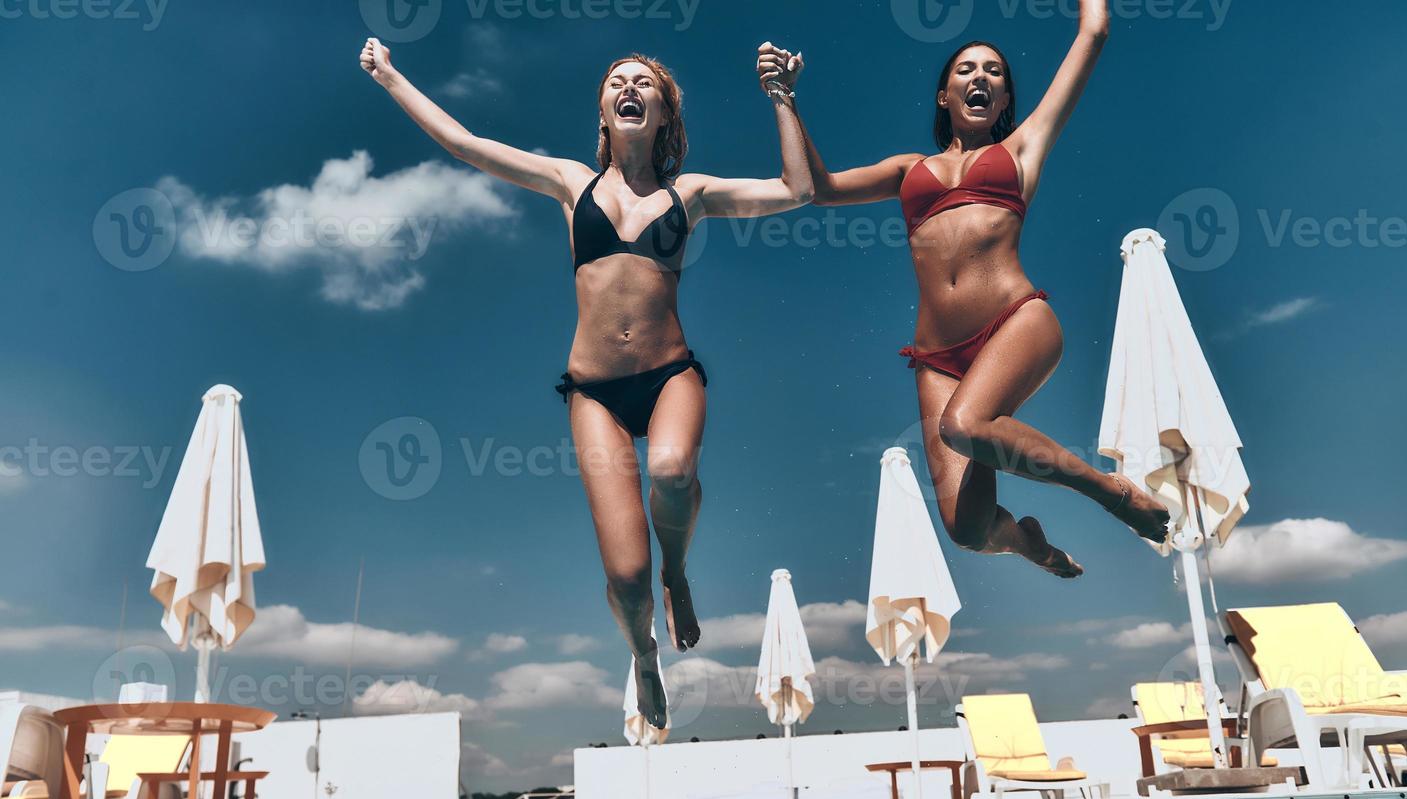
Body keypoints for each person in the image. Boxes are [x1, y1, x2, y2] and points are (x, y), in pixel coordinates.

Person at [360, 39, 814, 726]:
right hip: (595, 392)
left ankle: (678, 572)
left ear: (663, 114)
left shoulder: (687, 195)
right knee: (625, 581)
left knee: (669, 467)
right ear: (604, 110)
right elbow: (463, 141)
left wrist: (781, 98)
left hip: (669, 376)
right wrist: (391, 77)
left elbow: (796, 190)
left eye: (644, 84)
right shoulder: (571, 183)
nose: (628, 88)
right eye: (614, 82)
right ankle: (642, 656)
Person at [794, 0, 1168, 578]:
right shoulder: (906, 169)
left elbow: (1093, 31)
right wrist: (783, 99)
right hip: (938, 360)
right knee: (967, 531)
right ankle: (1027, 543)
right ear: (944, 96)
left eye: (994, 72)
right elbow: (815, 188)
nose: (981, 78)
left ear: (1005, 101)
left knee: (964, 427)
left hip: (1015, 321)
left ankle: (1109, 492)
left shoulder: (1021, 148)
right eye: (966, 70)